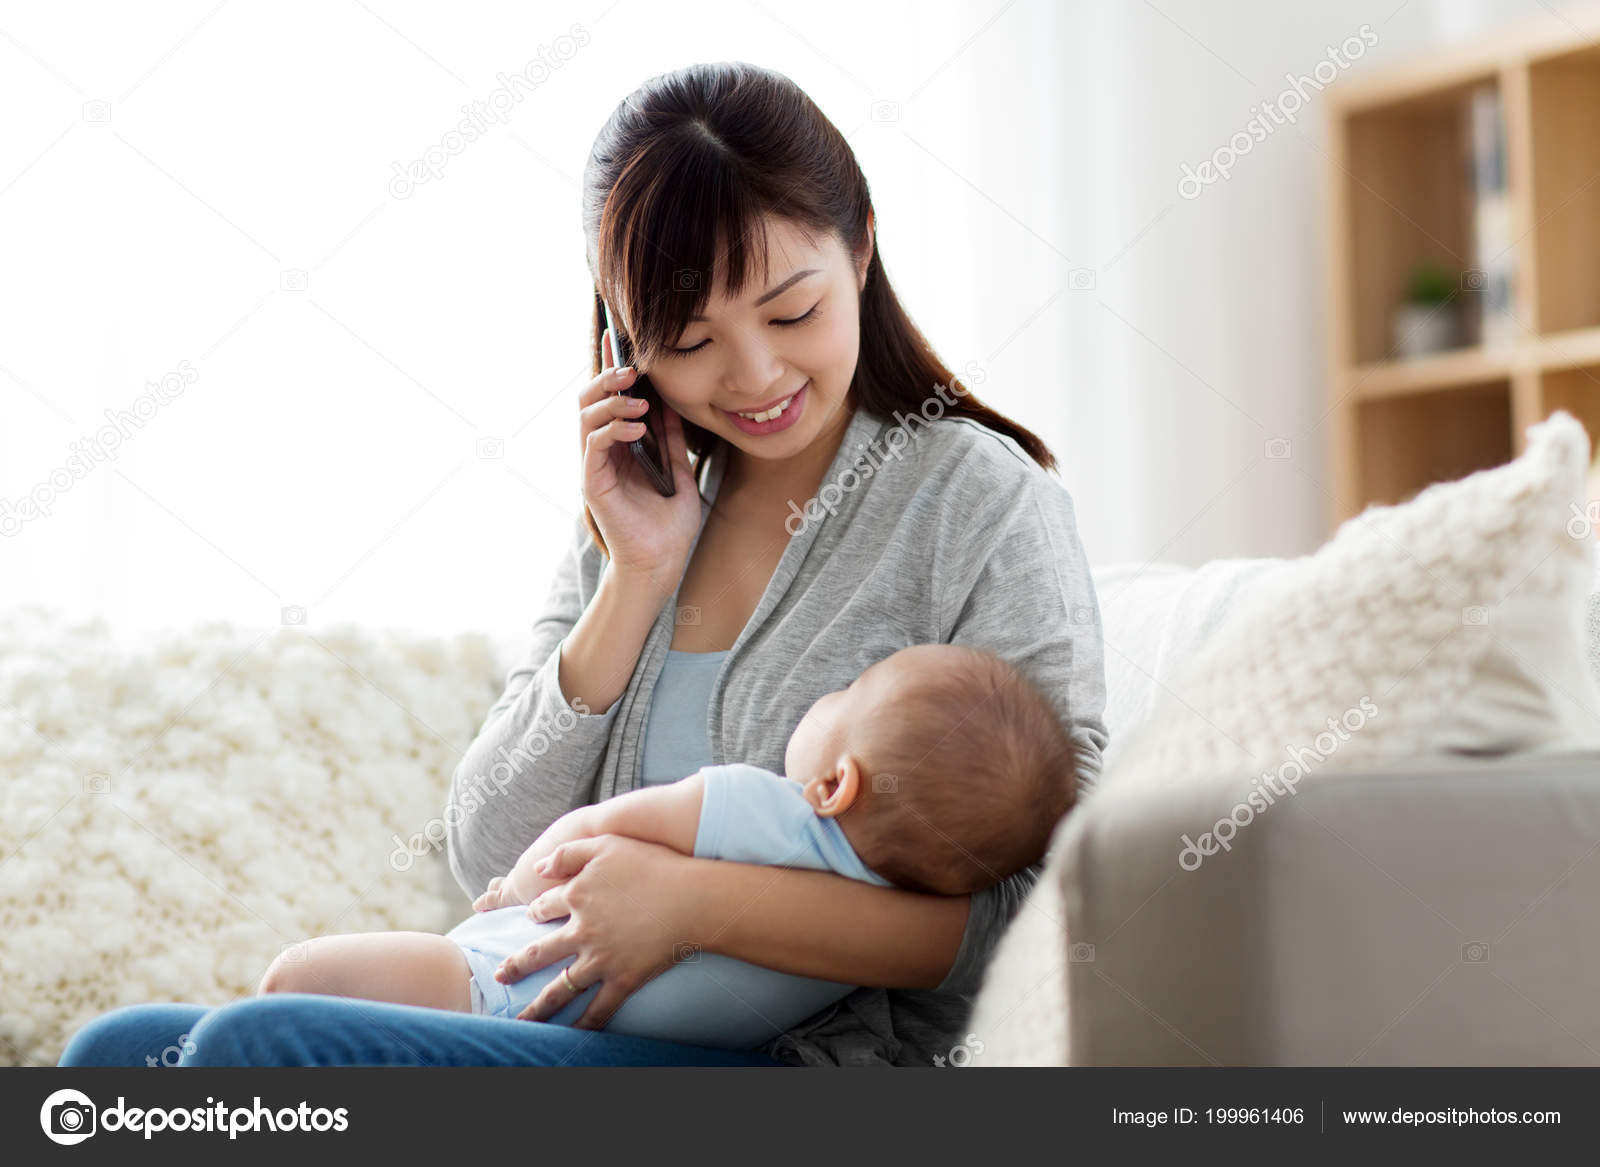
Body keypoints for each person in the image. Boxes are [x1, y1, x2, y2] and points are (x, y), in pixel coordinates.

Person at [58, 60, 1106, 1070]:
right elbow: (485, 849)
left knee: (257, 1050)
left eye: (793, 311)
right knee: (114, 1058)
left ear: (862, 245)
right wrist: (636, 577)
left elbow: (1049, 902)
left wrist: (694, 904)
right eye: (690, 341)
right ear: (624, 342)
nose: (755, 375)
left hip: (807, 1062)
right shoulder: (642, 506)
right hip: (560, 1024)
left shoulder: (979, 501)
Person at [248, 644, 1078, 1052]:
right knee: (145, 1050)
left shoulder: (767, 806)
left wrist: (518, 886)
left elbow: (603, 825)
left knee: (289, 988)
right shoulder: (879, 922)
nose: (827, 694)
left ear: (834, 786)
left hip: (496, 982)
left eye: (846, 695)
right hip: (580, 1035)